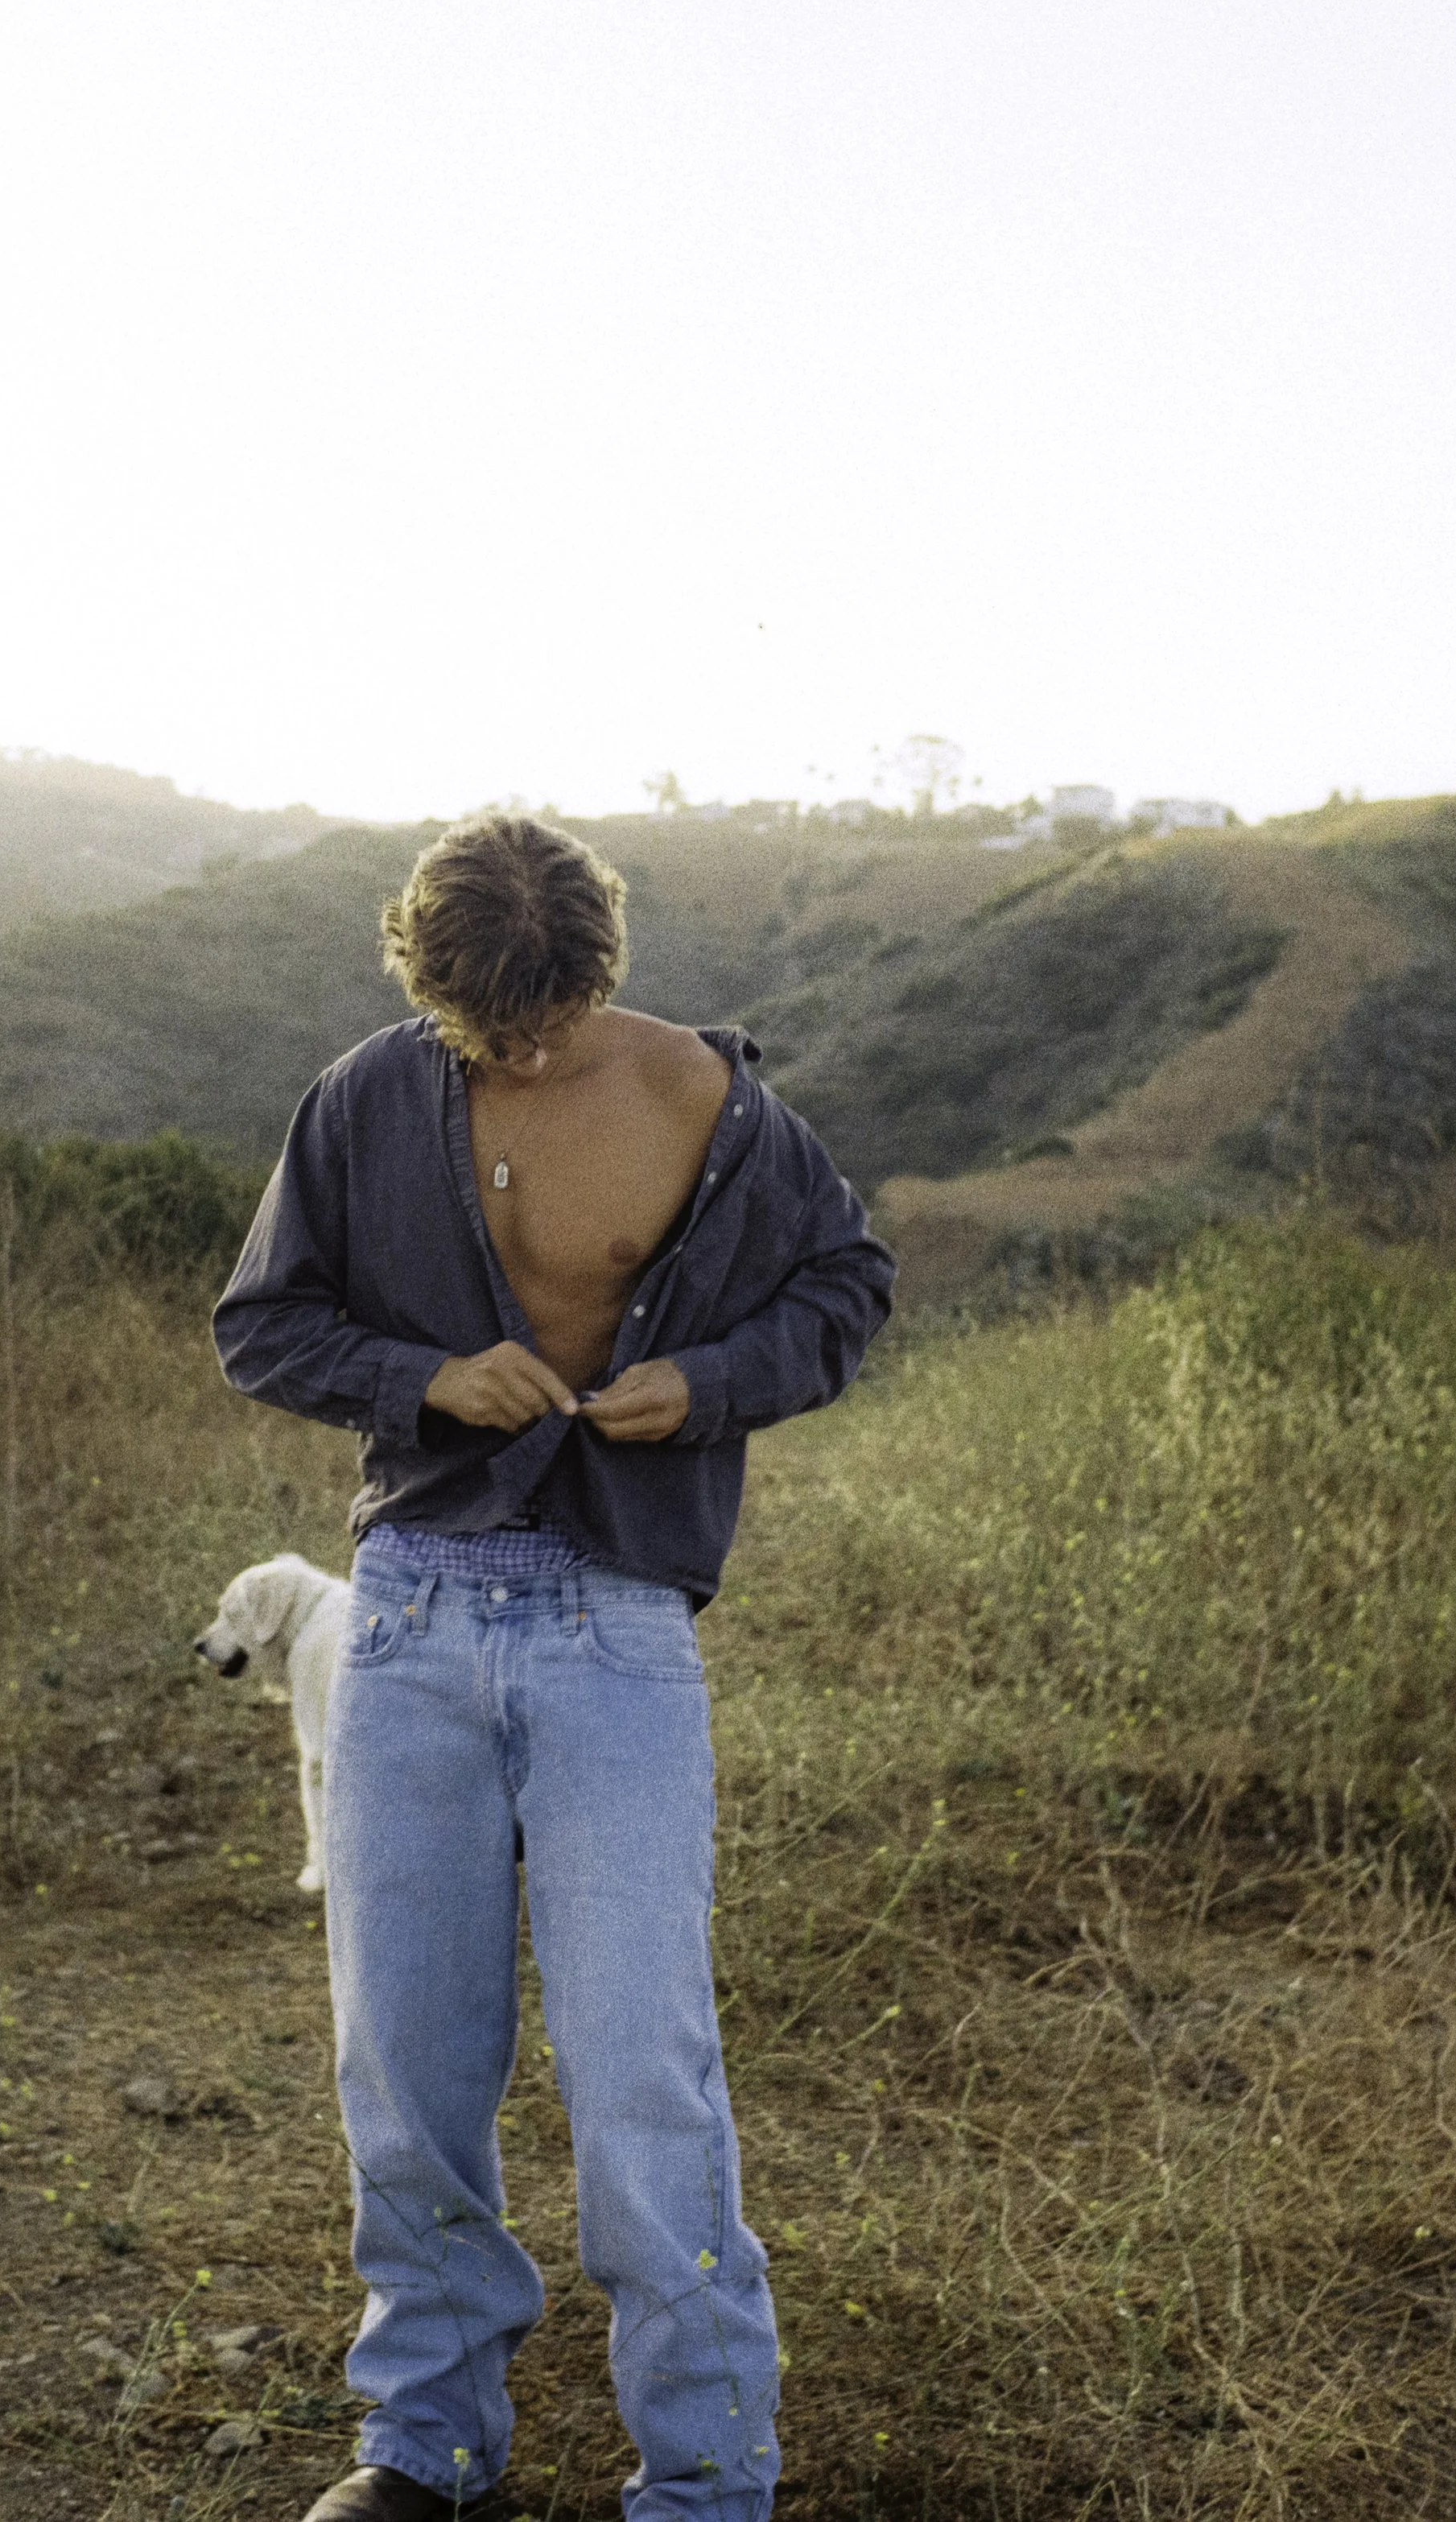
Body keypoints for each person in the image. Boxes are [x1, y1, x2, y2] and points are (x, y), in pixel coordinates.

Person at [213, 812, 895, 2522]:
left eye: (545, 1020)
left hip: (616, 1627)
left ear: (602, 968)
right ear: (421, 980)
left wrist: (715, 1379)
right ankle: (422, 2440)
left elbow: (846, 1281)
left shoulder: (705, 1107)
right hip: (411, 1616)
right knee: (404, 2061)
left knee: (640, 2069)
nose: (518, 1054)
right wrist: (428, 1377)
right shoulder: (363, 1097)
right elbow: (262, 1321)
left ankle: (703, 2479)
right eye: (481, 1029)